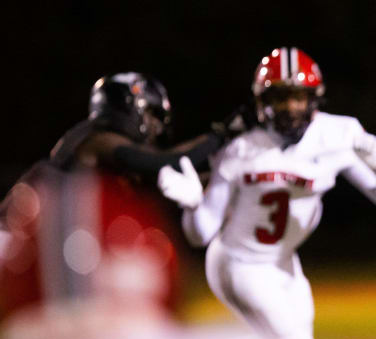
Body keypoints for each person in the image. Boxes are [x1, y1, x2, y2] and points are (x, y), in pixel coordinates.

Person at [157, 47, 376, 339]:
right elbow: (200, 234)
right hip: (239, 262)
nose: (290, 108)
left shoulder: (336, 135)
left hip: (285, 263)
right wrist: (192, 204)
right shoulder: (240, 147)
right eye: (280, 98)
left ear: (314, 99)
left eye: (297, 98)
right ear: (262, 102)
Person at [0, 72, 225, 322]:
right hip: (58, 250)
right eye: (150, 115)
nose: (155, 126)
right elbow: (163, 164)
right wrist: (218, 140)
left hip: (40, 236)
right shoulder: (101, 141)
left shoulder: (85, 140)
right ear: (129, 108)